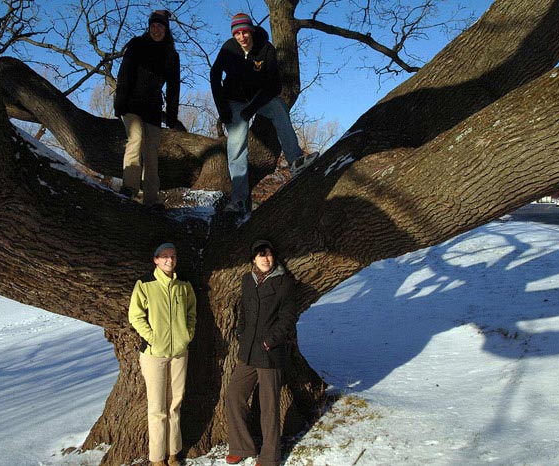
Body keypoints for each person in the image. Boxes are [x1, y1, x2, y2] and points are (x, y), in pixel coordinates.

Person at [210, 13, 319, 216]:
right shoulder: (228, 48)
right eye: (238, 33)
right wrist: (222, 108)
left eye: (245, 32)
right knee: (236, 144)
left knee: (279, 108)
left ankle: (295, 160)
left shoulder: (266, 49)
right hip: (233, 100)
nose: (242, 37)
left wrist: (252, 108)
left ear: (251, 31)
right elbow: (214, 76)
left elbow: (275, 85)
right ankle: (239, 200)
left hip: (257, 98)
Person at [225, 240, 298, 466]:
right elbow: (244, 312)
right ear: (253, 259)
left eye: (268, 255)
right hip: (247, 352)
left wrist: (269, 342)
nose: (266, 259)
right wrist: (241, 334)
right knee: (234, 395)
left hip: (270, 352)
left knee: (269, 406)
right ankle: (242, 446)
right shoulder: (247, 280)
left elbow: (288, 318)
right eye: (260, 255)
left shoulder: (284, 282)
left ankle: (269, 457)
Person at [128, 242, 197, 466]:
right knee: (157, 407)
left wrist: (187, 334)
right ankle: (157, 458)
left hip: (179, 352)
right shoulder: (145, 284)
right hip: (154, 355)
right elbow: (135, 316)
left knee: (175, 404)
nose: (169, 260)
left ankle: (173, 452)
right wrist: (152, 338)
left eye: (173, 256)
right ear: (156, 260)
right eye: (164, 256)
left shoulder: (183, 284)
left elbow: (191, 312)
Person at [114, 10, 180, 209]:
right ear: (149, 27)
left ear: (166, 30)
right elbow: (124, 73)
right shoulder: (137, 45)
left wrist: (171, 114)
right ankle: (130, 188)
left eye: (160, 26)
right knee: (136, 138)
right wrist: (120, 102)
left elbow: (174, 87)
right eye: (153, 26)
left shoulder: (171, 55)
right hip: (131, 103)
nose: (156, 30)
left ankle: (151, 199)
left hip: (152, 108)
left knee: (152, 151)